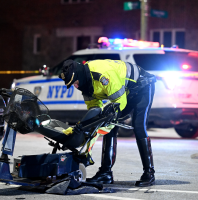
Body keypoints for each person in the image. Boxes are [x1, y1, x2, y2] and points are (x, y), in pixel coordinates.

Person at [59, 59, 156, 187]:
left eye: (74, 82)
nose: (75, 86)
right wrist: (82, 127)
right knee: (108, 128)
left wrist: (107, 119)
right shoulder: (85, 85)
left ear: (78, 76)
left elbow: (120, 103)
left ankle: (149, 173)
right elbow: (94, 110)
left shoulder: (102, 75)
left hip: (142, 86)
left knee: (138, 127)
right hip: (126, 91)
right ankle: (106, 173)